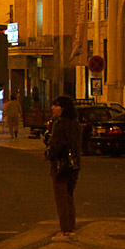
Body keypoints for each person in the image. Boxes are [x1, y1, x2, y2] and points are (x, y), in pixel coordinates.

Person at [44, 95, 85, 240]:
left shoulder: (59, 124)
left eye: (56, 106)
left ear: (64, 108)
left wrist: (48, 153)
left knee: (61, 198)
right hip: (74, 164)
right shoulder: (75, 124)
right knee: (69, 196)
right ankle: (71, 228)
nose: (53, 108)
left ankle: (65, 230)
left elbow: (56, 145)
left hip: (61, 164)